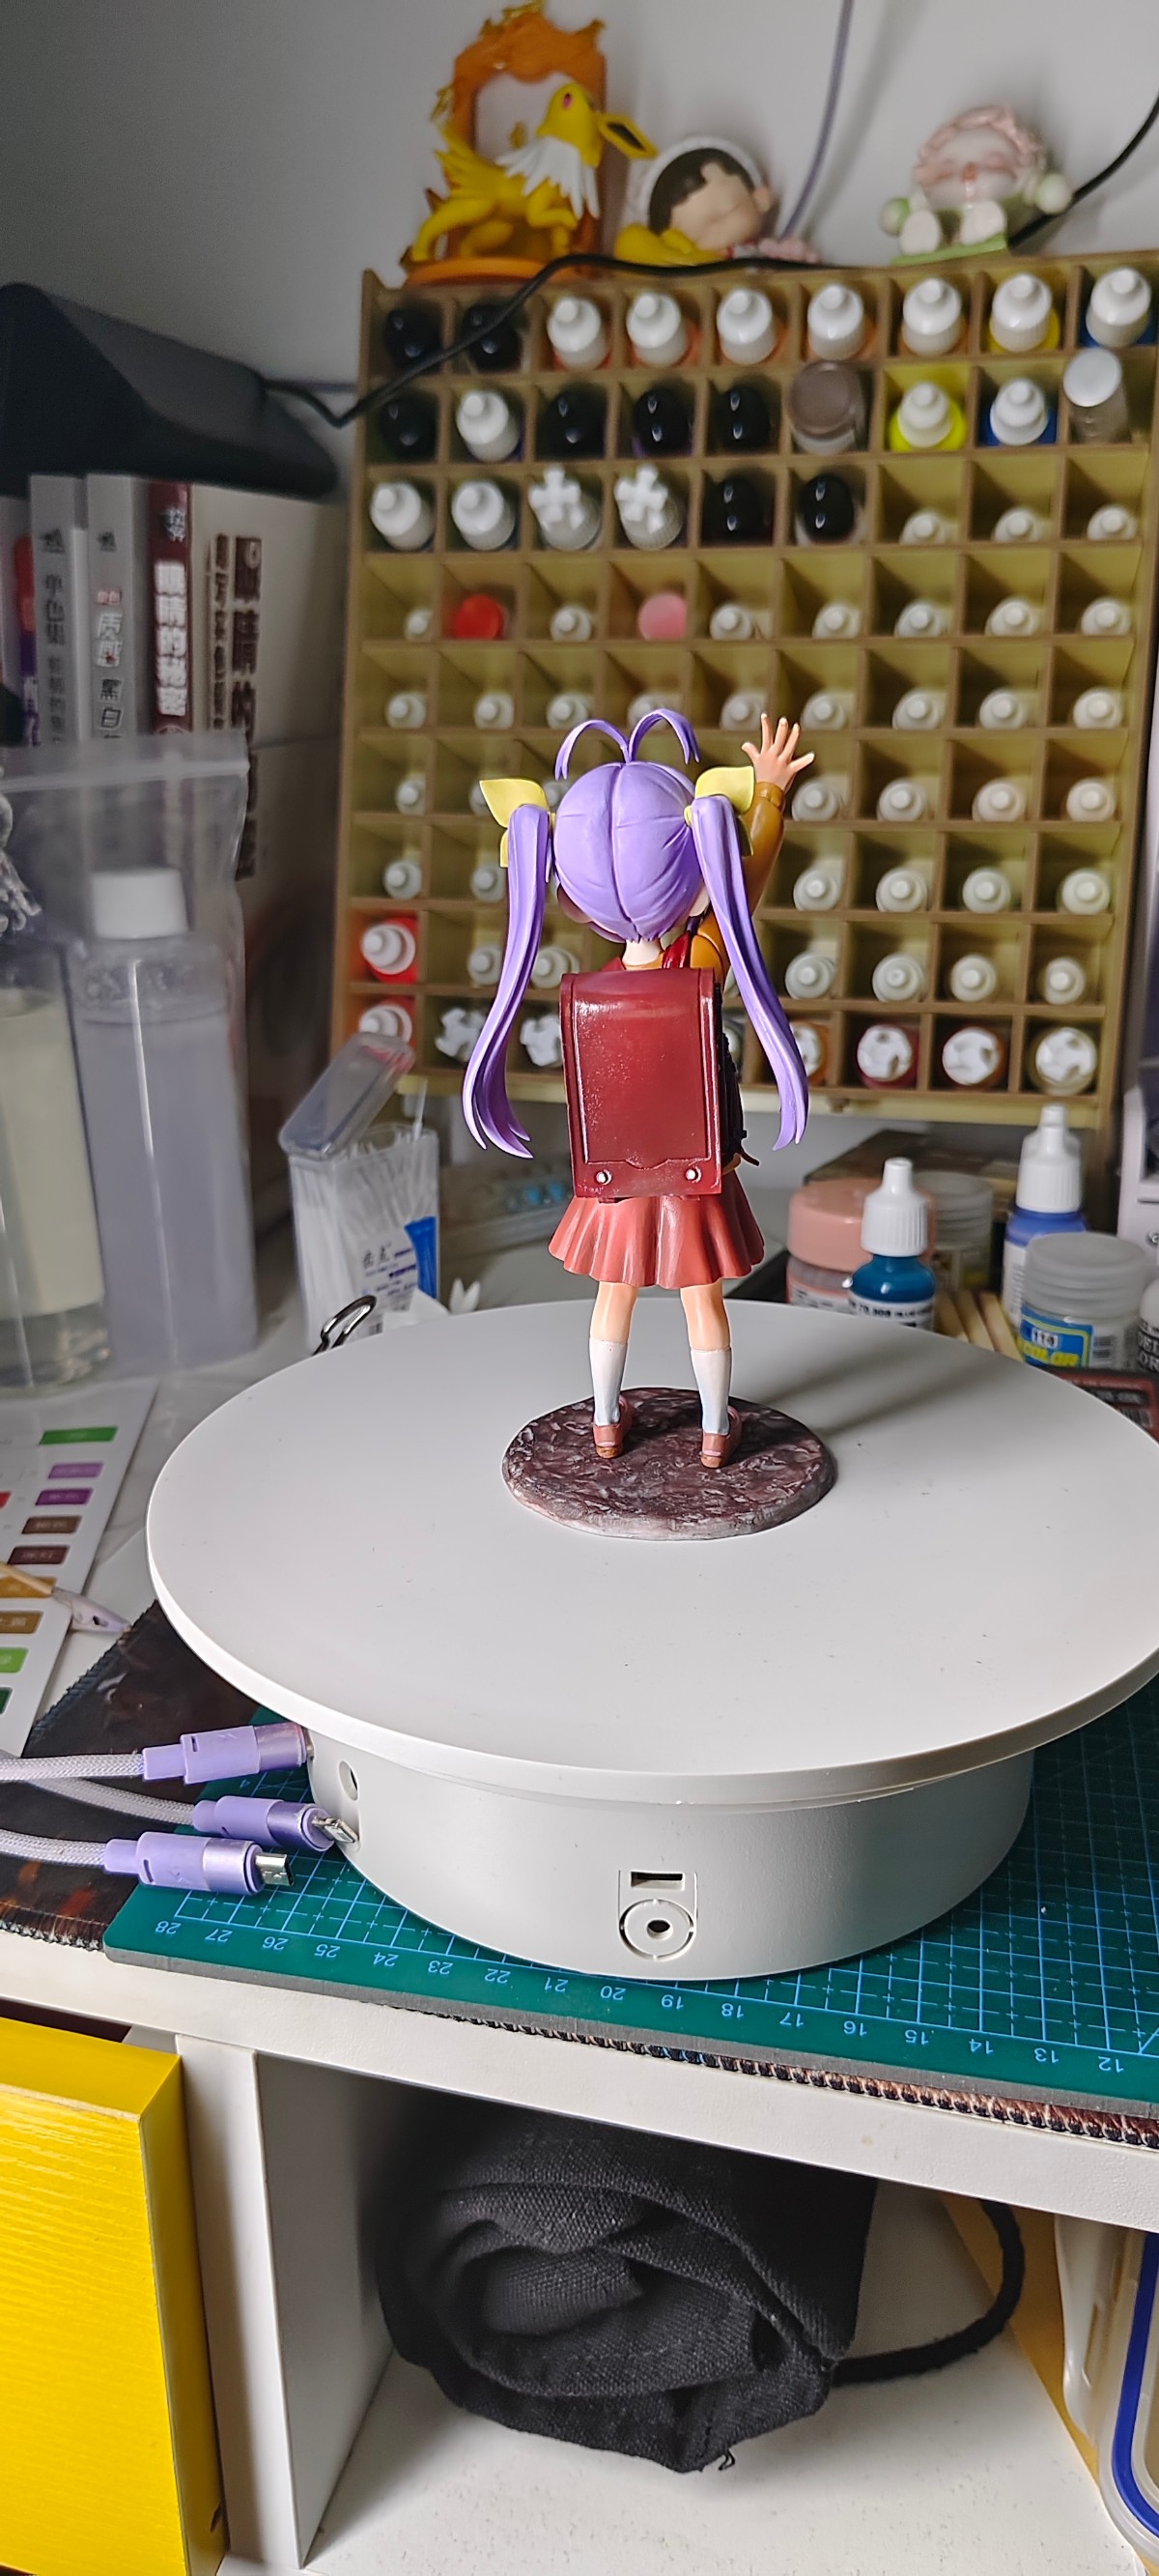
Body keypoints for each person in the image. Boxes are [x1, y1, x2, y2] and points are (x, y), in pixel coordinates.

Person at [463, 709, 812, 1468]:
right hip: (693, 1164)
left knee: (612, 1295)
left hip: (615, 1171)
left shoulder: (590, 990)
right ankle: (715, 1430)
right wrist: (769, 796)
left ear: (574, 895)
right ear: (699, 867)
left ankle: (604, 1421)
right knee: (702, 1298)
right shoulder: (703, 959)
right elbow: (747, 880)